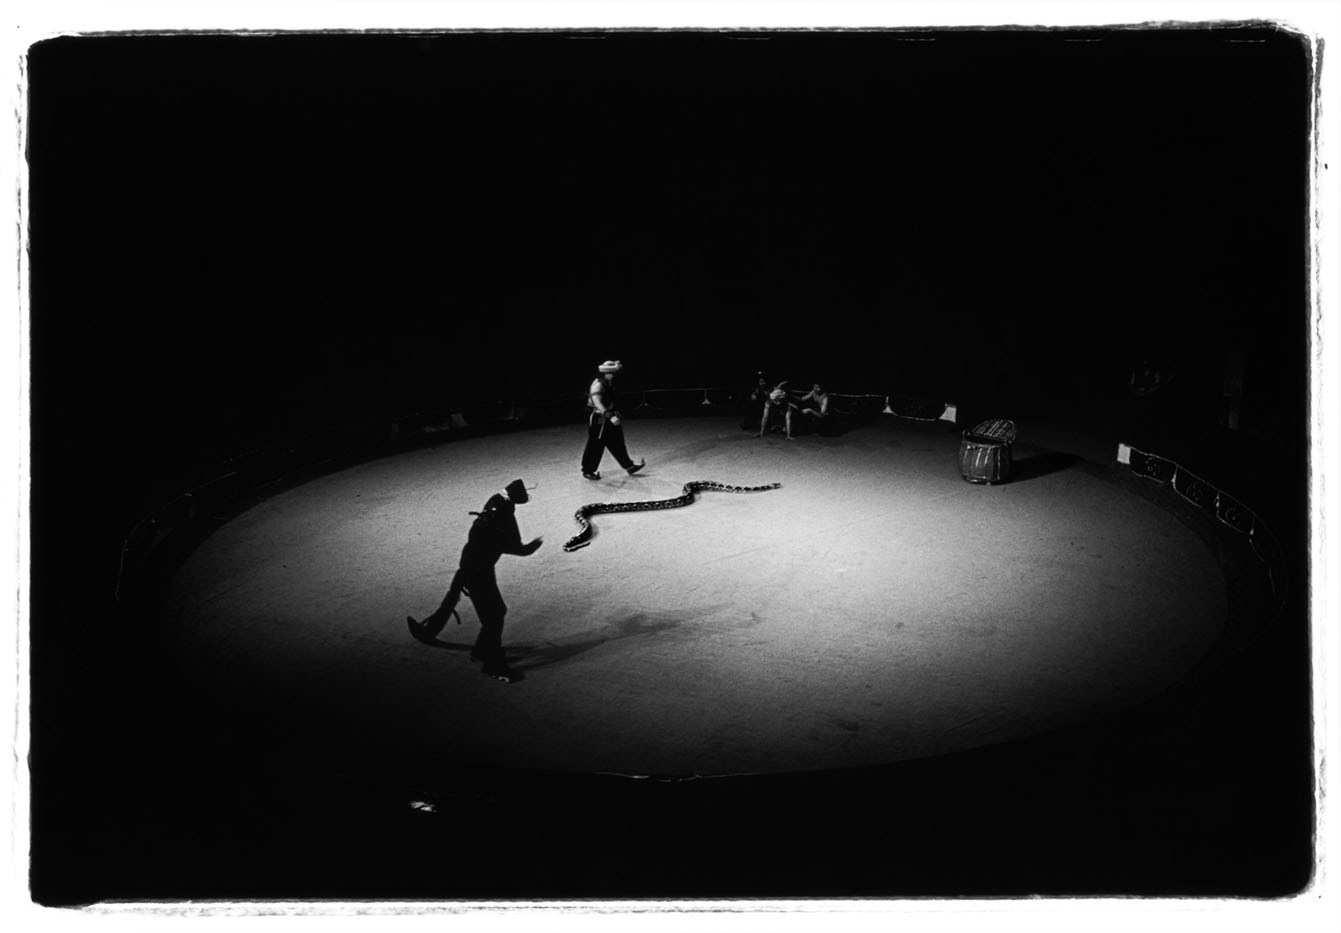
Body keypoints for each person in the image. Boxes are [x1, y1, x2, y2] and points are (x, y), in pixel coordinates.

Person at [407, 478, 542, 684]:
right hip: (478, 571)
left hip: (471, 564)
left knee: (453, 597)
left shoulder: (495, 504)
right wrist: (530, 547)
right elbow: (515, 546)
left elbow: (508, 541)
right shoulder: (500, 517)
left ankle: (431, 633)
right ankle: (491, 662)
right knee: (495, 614)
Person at [581, 360, 646, 480]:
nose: (615, 375)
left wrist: (615, 412)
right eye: (612, 373)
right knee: (595, 444)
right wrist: (610, 416)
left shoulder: (609, 383)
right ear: (606, 373)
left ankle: (629, 466)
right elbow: (598, 403)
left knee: (618, 443)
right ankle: (588, 470)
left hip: (609, 416)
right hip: (600, 418)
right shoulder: (598, 384)